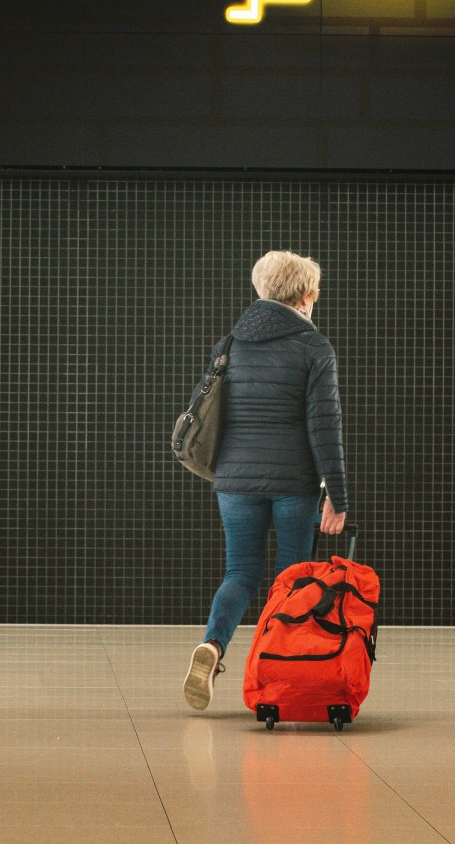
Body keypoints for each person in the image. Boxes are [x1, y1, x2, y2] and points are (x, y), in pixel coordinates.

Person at [184, 250, 349, 711]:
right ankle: (279, 671)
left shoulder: (231, 343)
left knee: (240, 572)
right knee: (292, 580)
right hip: (294, 482)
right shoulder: (314, 347)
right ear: (304, 296)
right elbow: (325, 427)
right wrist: (337, 495)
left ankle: (213, 647)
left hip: (235, 479)